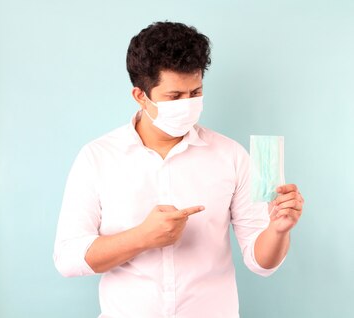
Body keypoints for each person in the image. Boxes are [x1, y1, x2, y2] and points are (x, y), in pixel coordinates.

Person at [53, 21, 304, 318]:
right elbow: (68, 259)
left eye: (195, 92)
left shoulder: (231, 155)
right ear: (140, 96)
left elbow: (260, 263)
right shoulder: (97, 157)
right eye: (174, 97)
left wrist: (277, 230)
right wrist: (143, 237)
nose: (188, 104)